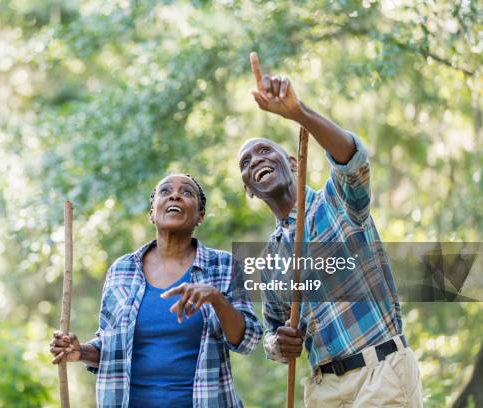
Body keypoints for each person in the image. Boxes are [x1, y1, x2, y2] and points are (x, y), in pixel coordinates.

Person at [239, 52, 423, 407]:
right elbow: (272, 333)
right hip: (324, 390)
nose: (255, 160)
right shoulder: (268, 262)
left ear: (293, 162)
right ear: (248, 188)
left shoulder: (336, 202)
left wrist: (298, 113)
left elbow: (353, 160)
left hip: (381, 373)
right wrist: (279, 343)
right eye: (245, 163)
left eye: (264, 151)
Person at [50, 173, 262, 408]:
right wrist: (79, 352)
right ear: (152, 214)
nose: (175, 195)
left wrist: (216, 298)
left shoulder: (224, 266)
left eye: (187, 192)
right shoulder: (121, 270)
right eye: (165, 191)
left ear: (200, 216)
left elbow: (248, 341)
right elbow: (110, 349)